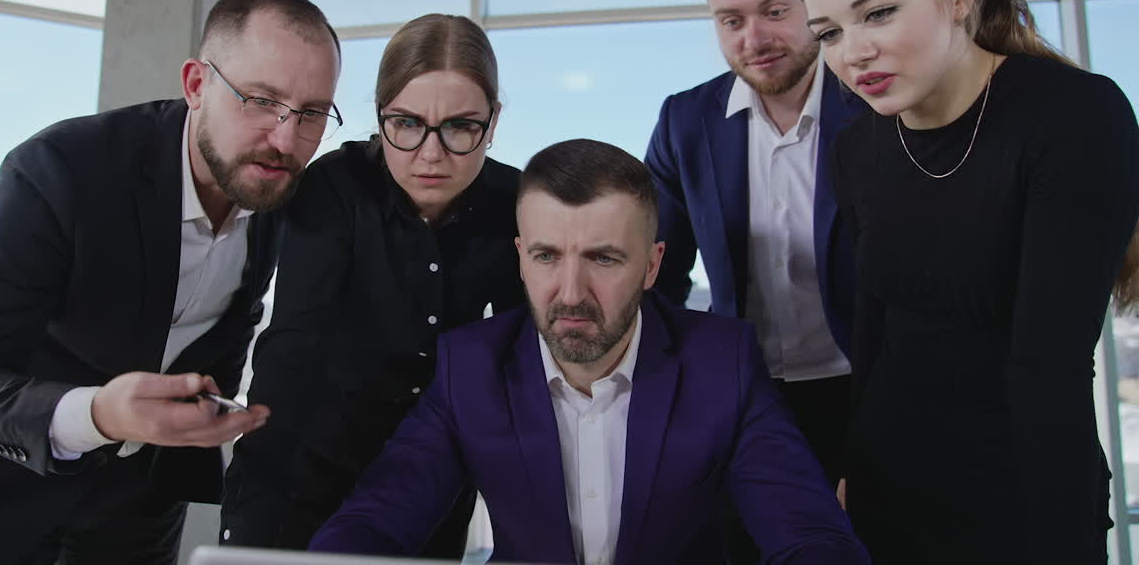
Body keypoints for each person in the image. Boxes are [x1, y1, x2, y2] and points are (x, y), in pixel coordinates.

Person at [0, 0, 343, 565]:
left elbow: (223, 332)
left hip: (132, 525)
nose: (285, 139)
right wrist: (99, 413)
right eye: (259, 100)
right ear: (197, 85)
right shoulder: (57, 172)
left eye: (310, 113)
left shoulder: (275, 191)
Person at [309, 138, 869, 565]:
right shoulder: (470, 368)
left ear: (652, 265)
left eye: (603, 259)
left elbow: (807, 532)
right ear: (520, 257)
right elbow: (376, 519)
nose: (571, 294)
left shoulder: (724, 364)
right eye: (548, 256)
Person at [792, 0, 1139, 564]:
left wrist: (1059, 541)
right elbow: (875, 334)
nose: (852, 52)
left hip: (1023, 497)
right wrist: (857, 476)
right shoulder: (856, 149)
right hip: (890, 495)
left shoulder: (1072, 117)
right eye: (829, 32)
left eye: (880, 13)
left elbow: (1051, 367)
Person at [221, 14, 524, 556]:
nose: (431, 154)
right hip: (303, 469)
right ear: (380, 114)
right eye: (406, 124)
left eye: (460, 127)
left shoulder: (516, 204)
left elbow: (518, 361)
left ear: (493, 121)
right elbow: (294, 353)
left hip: (433, 477)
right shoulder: (333, 188)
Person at [644, 0, 863, 561]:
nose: (755, 38)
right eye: (730, 20)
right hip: (748, 397)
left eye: (774, 10)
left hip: (867, 391)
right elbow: (660, 273)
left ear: (811, 4)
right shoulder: (687, 122)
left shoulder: (873, 104)